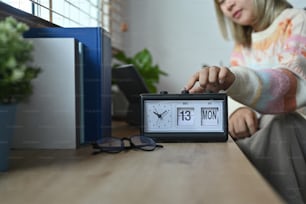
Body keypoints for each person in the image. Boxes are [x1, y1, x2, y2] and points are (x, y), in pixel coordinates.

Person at [185, 0, 306, 203]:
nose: (228, 6)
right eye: (221, 3)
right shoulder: (242, 46)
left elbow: (292, 83)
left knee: (279, 124)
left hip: (295, 125)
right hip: (266, 126)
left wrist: (235, 82)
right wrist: (237, 109)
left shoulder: (298, 21)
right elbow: (237, 94)